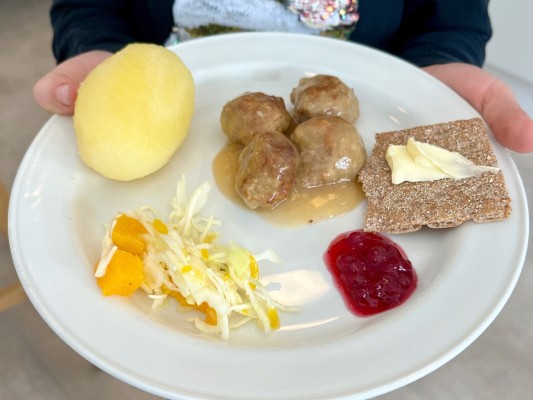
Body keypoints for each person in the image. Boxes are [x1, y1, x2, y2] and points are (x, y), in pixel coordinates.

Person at [33, 0, 533, 153]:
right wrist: (102, 57)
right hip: (169, 106)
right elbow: (89, 5)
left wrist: (434, 68)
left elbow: (450, 18)